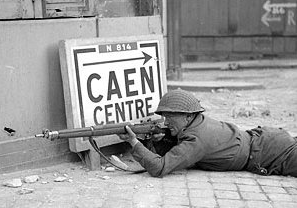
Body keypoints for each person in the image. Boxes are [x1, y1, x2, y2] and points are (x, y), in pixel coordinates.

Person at [118, 89, 297, 178]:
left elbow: (159, 168)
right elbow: (178, 148)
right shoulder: (196, 123)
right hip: (266, 140)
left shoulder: (197, 139)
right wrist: (160, 140)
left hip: (272, 153)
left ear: (188, 117)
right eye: (164, 117)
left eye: (170, 117)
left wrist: (134, 142)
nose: (166, 122)